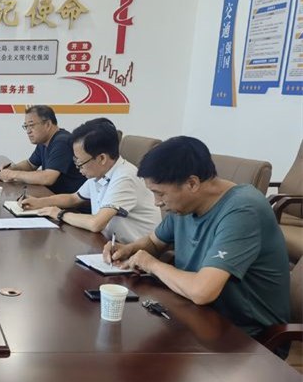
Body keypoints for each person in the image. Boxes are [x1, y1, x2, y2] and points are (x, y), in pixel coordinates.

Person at [103, 136, 290, 344]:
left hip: (246, 337)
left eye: (160, 194)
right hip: (196, 317)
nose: (157, 203)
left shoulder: (243, 210)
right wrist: (128, 249)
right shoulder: (185, 205)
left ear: (192, 183)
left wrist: (151, 264)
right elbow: (154, 243)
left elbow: (202, 292)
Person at [21, 118, 161, 243]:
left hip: (135, 252)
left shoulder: (124, 177)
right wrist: (39, 202)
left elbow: (96, 223)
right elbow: (73, 198)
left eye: (80, 163)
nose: (78, 168)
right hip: (109, 244)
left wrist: (59, 213)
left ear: (101, 158)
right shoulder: (101, 173)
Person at [0, 105, 85, 194]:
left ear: (48, 124)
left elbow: (48, 178)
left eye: (31, 125)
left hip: (72, 200)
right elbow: (30, 164)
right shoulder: (44, 141)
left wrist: (12, 174)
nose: (28, 131)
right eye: (26, 126)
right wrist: (12, 168)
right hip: (53, 194)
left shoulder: (62, 141)